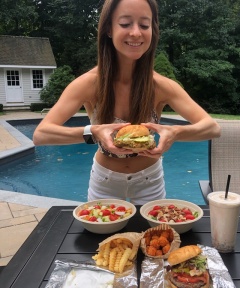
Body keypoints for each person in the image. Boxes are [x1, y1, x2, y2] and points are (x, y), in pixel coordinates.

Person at [33, 0, 221, 205]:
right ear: (109, 29)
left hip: (150, 180)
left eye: (144, 25)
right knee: (103, 237)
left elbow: (211, 128)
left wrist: (175, 132)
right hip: (104, 181)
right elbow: (41, 134)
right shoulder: (88, 84)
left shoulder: (160, 85)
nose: (136, 33)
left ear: (153, 30)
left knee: (153, 235)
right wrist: (93, 132)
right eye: (125, 24)